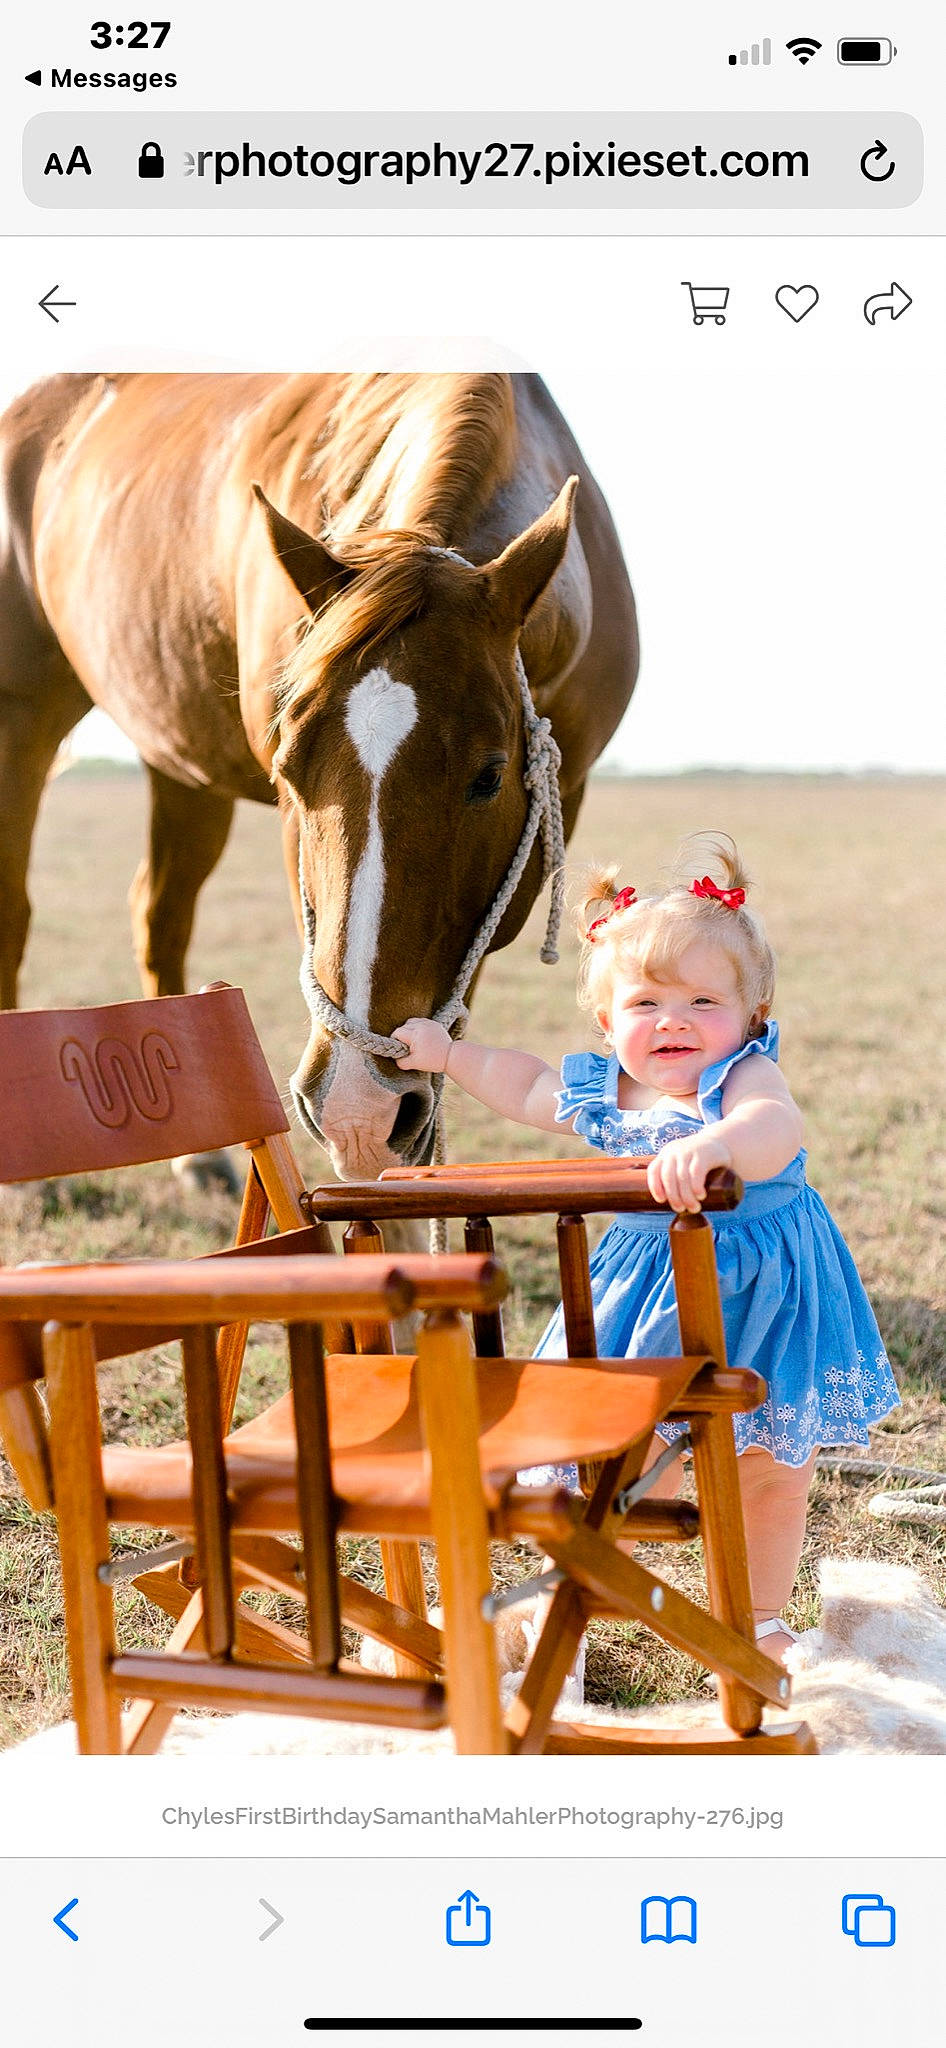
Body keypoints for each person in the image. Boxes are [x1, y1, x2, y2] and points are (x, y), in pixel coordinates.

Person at [393, 834, 900, 1666]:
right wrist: (449, 1056)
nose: (674, 1020)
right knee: (617, 1459)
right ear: (607, 1022)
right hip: (647, 1295)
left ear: (752, 1018)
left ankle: (759, 1619)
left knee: (772, 1472)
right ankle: (586, 1583)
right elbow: (526, 1084)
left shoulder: (742, 1082)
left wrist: (718, 1145)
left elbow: (777, 1128)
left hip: (766, 1291)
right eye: (645, 1004)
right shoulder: (610, 1094)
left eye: (704, 1001)